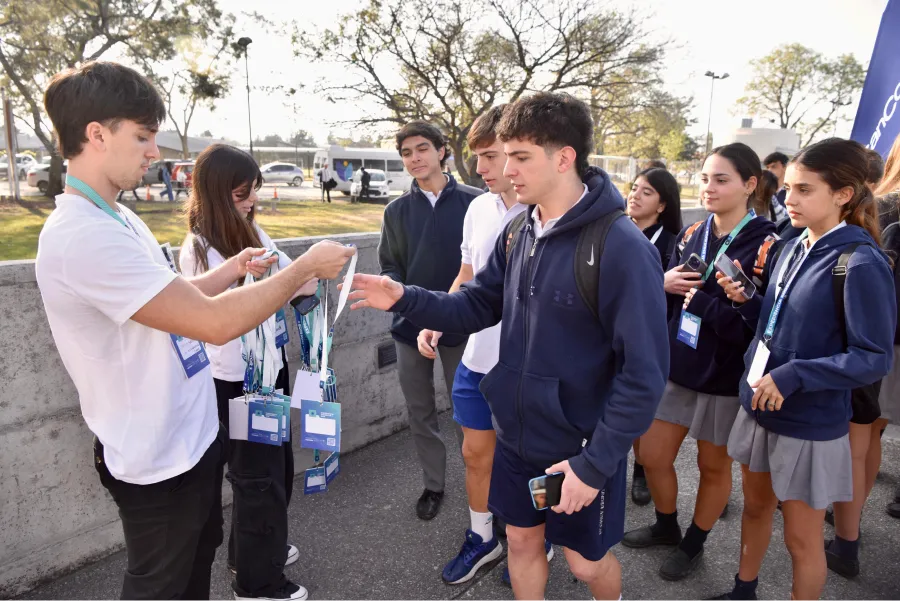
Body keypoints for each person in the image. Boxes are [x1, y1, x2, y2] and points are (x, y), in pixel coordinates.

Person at [34, 61, 354, 601]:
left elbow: (180, 299)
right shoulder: (81, 236)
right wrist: (301, 270)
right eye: (142, 136)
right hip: (157, 456)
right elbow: (213, 322)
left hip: (192, 436)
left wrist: (233, 268)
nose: (154, 153)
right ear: (96, 134)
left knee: (195, 568)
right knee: (162, 583)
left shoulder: (117, 217)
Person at [349, 92, 669, 601]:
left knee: (585, 566)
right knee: (520, 541)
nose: (505, 169)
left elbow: (644, 373)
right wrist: (406, 297)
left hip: (578, 450)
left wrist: (594, 463)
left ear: (564, 158)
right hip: (517, 439)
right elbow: (476, 305)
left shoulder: (622, 247)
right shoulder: (520, 228)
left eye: (520, 156)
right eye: (504, 155)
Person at [713, 138, 895, 600]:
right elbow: (781, 326)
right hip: (760, 405)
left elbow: (874, 357)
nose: (788, 199)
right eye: (789, 188)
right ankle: (743, 590)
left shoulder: (861, 262)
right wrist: (749, 302)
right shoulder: (792, 246)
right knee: (755, 509)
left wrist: (796, 375)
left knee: (801, 537)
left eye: (804, 190)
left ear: (843, 194)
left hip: (809, 422)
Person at [622, 143, 776, 582]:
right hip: (678, 365)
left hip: (726, 377)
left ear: (750, 185)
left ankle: (693, 542)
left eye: (721, 179)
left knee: (713, 466)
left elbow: (764, 320)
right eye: (705, 178)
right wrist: (662, 285)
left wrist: (715, 309)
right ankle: (667, 525)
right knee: (652, 455)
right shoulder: (691, 233)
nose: (709, 187)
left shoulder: (767, 243)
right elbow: (666, 304)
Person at [416, 106, 554, 587]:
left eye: (492, 156)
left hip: (530, 370)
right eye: (478, 157)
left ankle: (539, 537)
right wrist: (438, 317)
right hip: (477, 361)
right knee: (476, 454)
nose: (483, 169)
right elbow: (468, 277)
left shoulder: (549, 212)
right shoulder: (477, 208)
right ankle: (483, 537)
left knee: (535, 461)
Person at [179, 144, 317, 600]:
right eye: (242, 192)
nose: (251, 199)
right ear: (216, 191)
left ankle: (255, 551)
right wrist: (291, 280)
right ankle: (258, 584)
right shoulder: (198, 248)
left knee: (274, 467)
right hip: (238, 380)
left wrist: (299, 281)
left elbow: (281, 280)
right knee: (258, 477)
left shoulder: (250, 226)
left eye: (254, 189)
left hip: (268, 367)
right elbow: (219, 316)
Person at [378, 120, 482, 521]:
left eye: (422, 148)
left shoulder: (476, 202)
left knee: (468, 413)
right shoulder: (396, 211)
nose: (414, 158)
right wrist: (411, 309)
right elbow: (391, 270)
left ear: (442, 151)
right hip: (410, 330)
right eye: (406, 152)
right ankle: (433, 485)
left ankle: (481, 483)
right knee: (419, 411)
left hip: (462, 326)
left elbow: (481, 269)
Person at [625, 166, 682, 506]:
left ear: (662, 205)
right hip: (611, 338)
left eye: (646, 192)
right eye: (634, 188)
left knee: (645, 414)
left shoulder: (673, 245)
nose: (635, 194)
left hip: (650, 341)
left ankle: (641, 471)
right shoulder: (612, 232)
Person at [875, 133, 900, 521]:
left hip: (887, 338)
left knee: (864, 429)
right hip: (887, 339)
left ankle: (848, 532)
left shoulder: (885, 209)